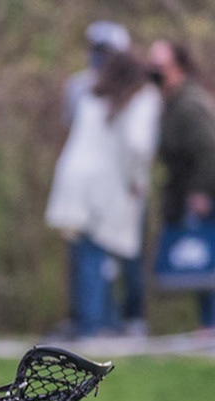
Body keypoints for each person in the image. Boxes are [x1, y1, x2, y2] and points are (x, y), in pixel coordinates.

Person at [45, 51, 161, 338]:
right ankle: (93, 324)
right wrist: (137, 180)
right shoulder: (140, 99)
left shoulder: (92, 96)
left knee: (87, 254)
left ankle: (100, 320)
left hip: (75, 182)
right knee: (96, 256)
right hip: (103, 187)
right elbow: (137, 145)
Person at [150, 39, 215, 332]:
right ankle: (207, 325)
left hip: (204, 193)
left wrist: (200, 191)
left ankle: (210, 324)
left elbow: (209, 150)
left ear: (178, 67)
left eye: (159, 64)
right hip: (186, 192)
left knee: (207, 258)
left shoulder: (190, 105)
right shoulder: (170, 102)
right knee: (200, 263)